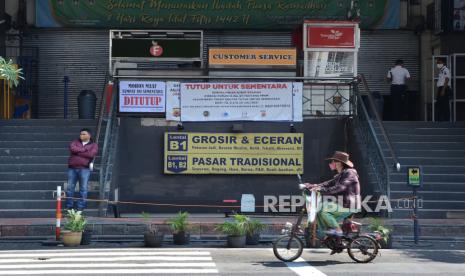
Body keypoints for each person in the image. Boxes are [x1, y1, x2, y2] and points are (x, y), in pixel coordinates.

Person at [304, 151, 361, 238]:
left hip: (349, 205)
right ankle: (327, 234)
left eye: (334, 161)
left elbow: (340, 188)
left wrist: (321, 190)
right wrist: (312, 186)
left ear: (340, 163)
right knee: (319, 210)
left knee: (325, 211)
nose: (332, 163)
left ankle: (337, 230)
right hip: (342, 203)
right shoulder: (342, 174)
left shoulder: (350, 173)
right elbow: (328, 183)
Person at [66, 128, 98, 211]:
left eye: (84, 134)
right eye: (81, 134)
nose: (81, 135)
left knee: (83, 189)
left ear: (89, 135)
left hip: (84, 169)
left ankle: (80, 207)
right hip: (72, 168)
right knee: (70, 188)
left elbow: (91, 154)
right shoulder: (75, 142)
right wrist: (84, 150)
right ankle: (69, 206)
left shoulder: (94, 145)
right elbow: (72, 149)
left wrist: (78, 152)